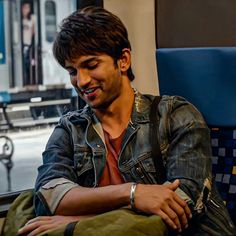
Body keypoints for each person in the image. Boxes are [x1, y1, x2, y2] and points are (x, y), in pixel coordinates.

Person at [18, 6, 235, 236]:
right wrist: (134, 194)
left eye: (91, 65)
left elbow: (182, 205)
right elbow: (49, 196)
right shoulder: (70, 129)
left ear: (123, 60)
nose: (81, 81)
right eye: (73, 71)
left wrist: (80, 219)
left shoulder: (176, 115)